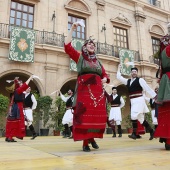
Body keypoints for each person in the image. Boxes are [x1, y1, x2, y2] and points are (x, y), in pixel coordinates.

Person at [64, 22, 110, 152]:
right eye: (89, 44)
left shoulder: (97, 61)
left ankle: (92, 138)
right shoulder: (80, 58)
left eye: (94, 45)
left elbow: (104, 73)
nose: (92, 46)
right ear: (84, 47)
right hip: (85, 91)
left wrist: (105, 78)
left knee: (95, 116)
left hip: (97, 92)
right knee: (85, 116)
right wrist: (72, 29)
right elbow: (67, 47)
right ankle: (85, 142)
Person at [117, 65, 156, 140]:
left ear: (137, 73)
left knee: (133, 116)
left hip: (139, 100)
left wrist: (154, 96)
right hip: (133, 101)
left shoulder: (140, 80)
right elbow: (119, 78)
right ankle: (152, 131)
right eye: (132, 72)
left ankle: (134, 133)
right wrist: (119, 69)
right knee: (141, 118)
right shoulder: (128, 81)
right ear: (131, 73)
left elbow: (147, 88)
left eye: (135, 72)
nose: (134, 73)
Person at [154, 27, 170, 150]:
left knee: (166, 110)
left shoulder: (164, 51)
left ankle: (167, 139)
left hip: (165, 78)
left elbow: (162, 69)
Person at [5, 75, 33, 142]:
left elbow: (19, 85)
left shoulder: (16, 90)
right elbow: (25, 85)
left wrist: (15, 80)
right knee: (15, 122)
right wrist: (30, 78)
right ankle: (10, 137)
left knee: (12, 122)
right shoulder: (19, 90)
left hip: (15, 107)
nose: (22, 84)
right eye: (21, 83)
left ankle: (9, 136)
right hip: (17, 107)